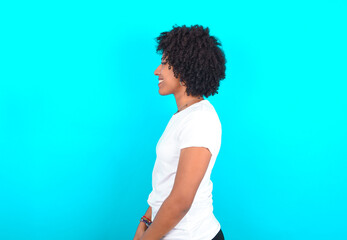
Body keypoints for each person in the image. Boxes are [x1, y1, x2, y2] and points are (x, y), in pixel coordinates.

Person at [133, 24, 227, 240]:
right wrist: (146, 220)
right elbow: (165, 182)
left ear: (184, 69)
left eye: (164, 64)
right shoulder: (184, 115)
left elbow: (181, 201)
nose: (157, 70)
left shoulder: (200, 119)